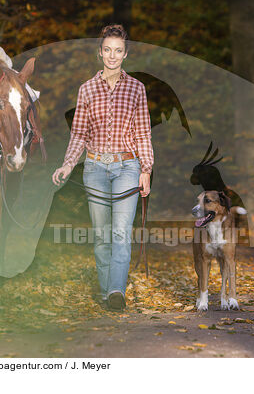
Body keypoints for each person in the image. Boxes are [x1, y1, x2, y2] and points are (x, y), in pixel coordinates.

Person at [52, 24, 153, 310]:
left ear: (126, 54)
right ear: (100, 52)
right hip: (95, 169)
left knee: (121, 232)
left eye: (118, 50)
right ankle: (108, 287)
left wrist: (145, 169)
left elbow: (143, 132)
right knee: (101, 234)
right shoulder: (86, 89)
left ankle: (115, 293)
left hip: (127, 167)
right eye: (107, 50)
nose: (112, 55)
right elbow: (79, 134)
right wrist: (67, 165)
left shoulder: (136, 89)